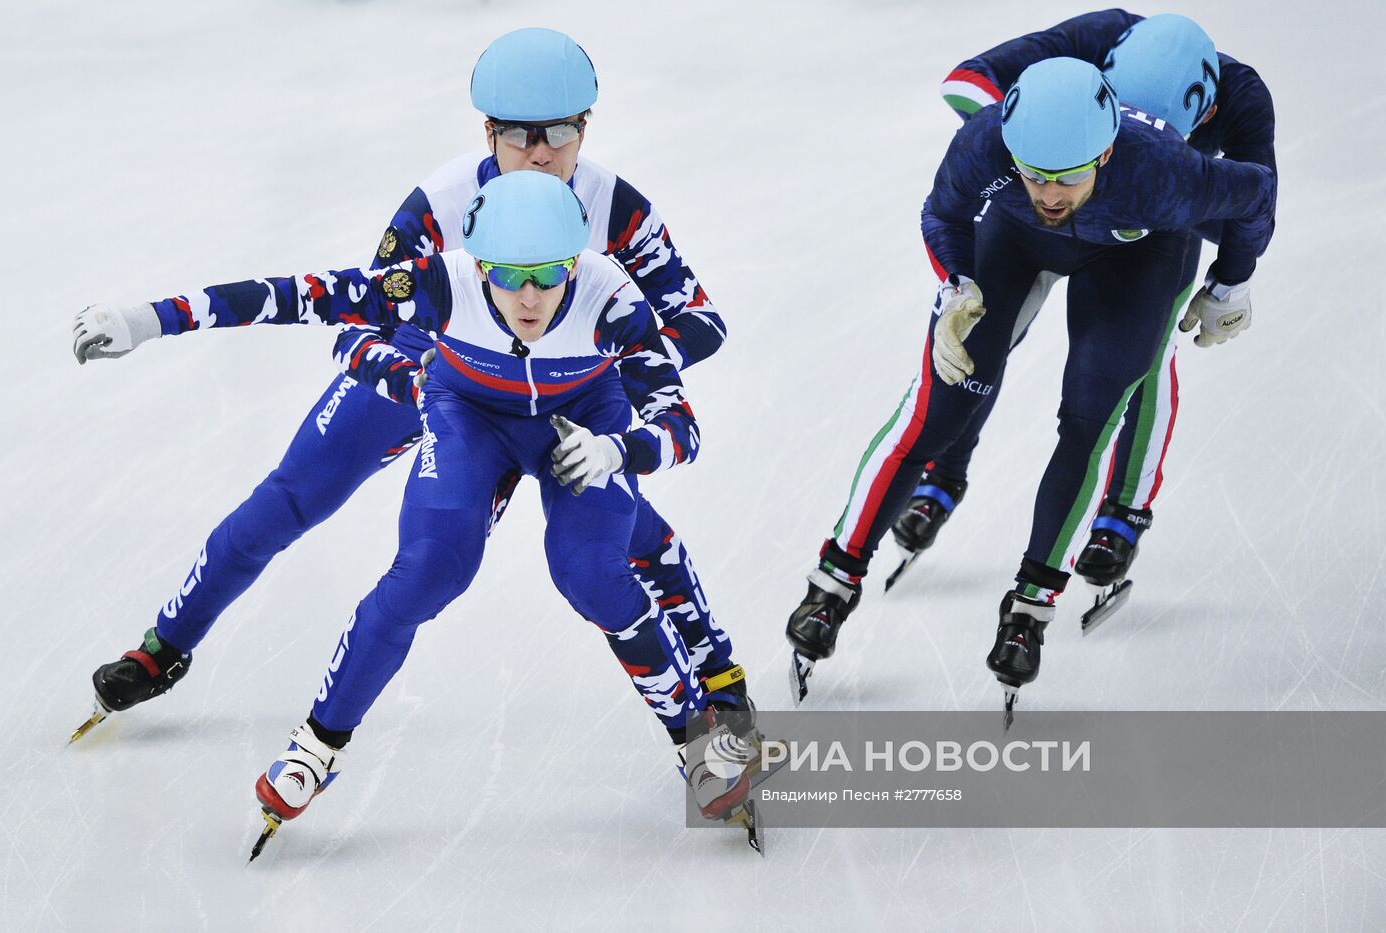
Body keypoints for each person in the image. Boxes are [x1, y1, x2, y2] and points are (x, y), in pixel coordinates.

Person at [69, 28, 751, 741]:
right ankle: (164, 645)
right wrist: (415, 379)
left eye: (559, 132)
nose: (541, 152)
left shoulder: (619, 210)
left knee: (607, 540)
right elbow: (355, 328)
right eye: (519, 135)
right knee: (288, 499)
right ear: (488, 131)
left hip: (563, 398)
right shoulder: (440, 203)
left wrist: (601, 360)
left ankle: (716, 674)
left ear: (586, 127)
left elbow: (700, 322)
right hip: (434, 377)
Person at [74, 170, 758, 851]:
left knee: (591, 571)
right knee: (430, 566)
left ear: (576, 259)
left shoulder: (611, 300)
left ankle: (699, 740)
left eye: (550, 274)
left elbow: (682, 423)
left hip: (581, 419)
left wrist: (621, 450)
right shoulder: (436, 273)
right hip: (466, 411)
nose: (529, 297)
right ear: (477, 260)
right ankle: (316, 745)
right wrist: (149, 319)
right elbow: (301, 301)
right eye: (508, 274)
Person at [785, 56, 1275, 713]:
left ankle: (1030, 603)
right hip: (1015, 242)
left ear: (1103, 153)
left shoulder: (1164, 173)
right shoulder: (987, 142)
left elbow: (1256, 193)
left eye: (1066, 178)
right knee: (937, 407)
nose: (1048, 193)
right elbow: (942, 212)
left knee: (1088, 416)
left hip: (1138, 253)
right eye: (1034, 175)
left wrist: (1232, 281)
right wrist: (956, 281)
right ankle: (834, 580)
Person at [891, 13, 1276, 614]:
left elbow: (1257, 197)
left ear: (1205, 115)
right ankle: (947, 466)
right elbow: (969, 83)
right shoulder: (1101, 39)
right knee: (985, 337)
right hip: (1064, 182)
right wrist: (1013, 150)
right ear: (1108, 83)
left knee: (1145, 356)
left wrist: (1230, 279)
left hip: (1159, 209)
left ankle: (1123, 509)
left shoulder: (1237, 100)